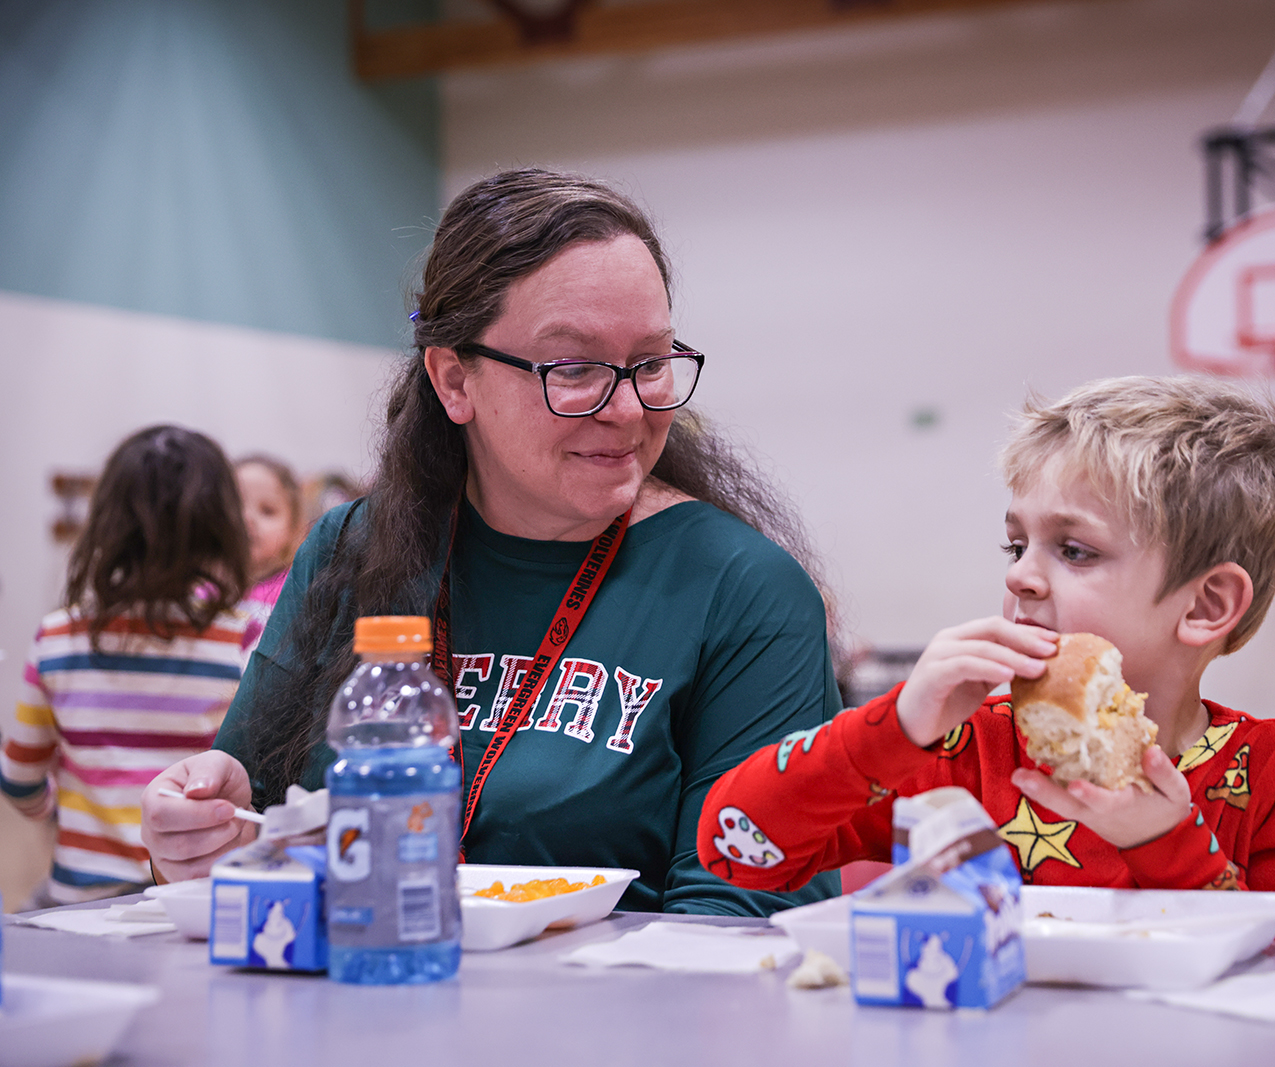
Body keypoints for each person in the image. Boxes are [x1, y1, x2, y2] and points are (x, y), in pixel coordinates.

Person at [139, 168, 840, 916]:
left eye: (651, 362)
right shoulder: (352, 549)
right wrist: (202, 837)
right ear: (454, 381)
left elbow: (741, 922)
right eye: (574, 367)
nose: (628, 407)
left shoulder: (743, 590)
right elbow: (252, 824)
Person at [697, 376, 1275, 942]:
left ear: (1207, 604)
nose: (1021, 578)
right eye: (1017, 545)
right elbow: (738, 851)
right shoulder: (963, 748)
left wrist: (1164, 841)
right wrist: (891, 727)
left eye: (1075, 550)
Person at [1, 426, 252, 906]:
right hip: (191, 902)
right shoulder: (241, 641)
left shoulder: (58, 636)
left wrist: (68, 817)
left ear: (106, 521)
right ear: (221, 525)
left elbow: (18, 778)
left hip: (79, 898)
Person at [234, 454, 302, 653]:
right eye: (235, 505)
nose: (247, 518)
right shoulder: (200, 590)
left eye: (267, 511)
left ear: (293, 528)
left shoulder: (295, 592)